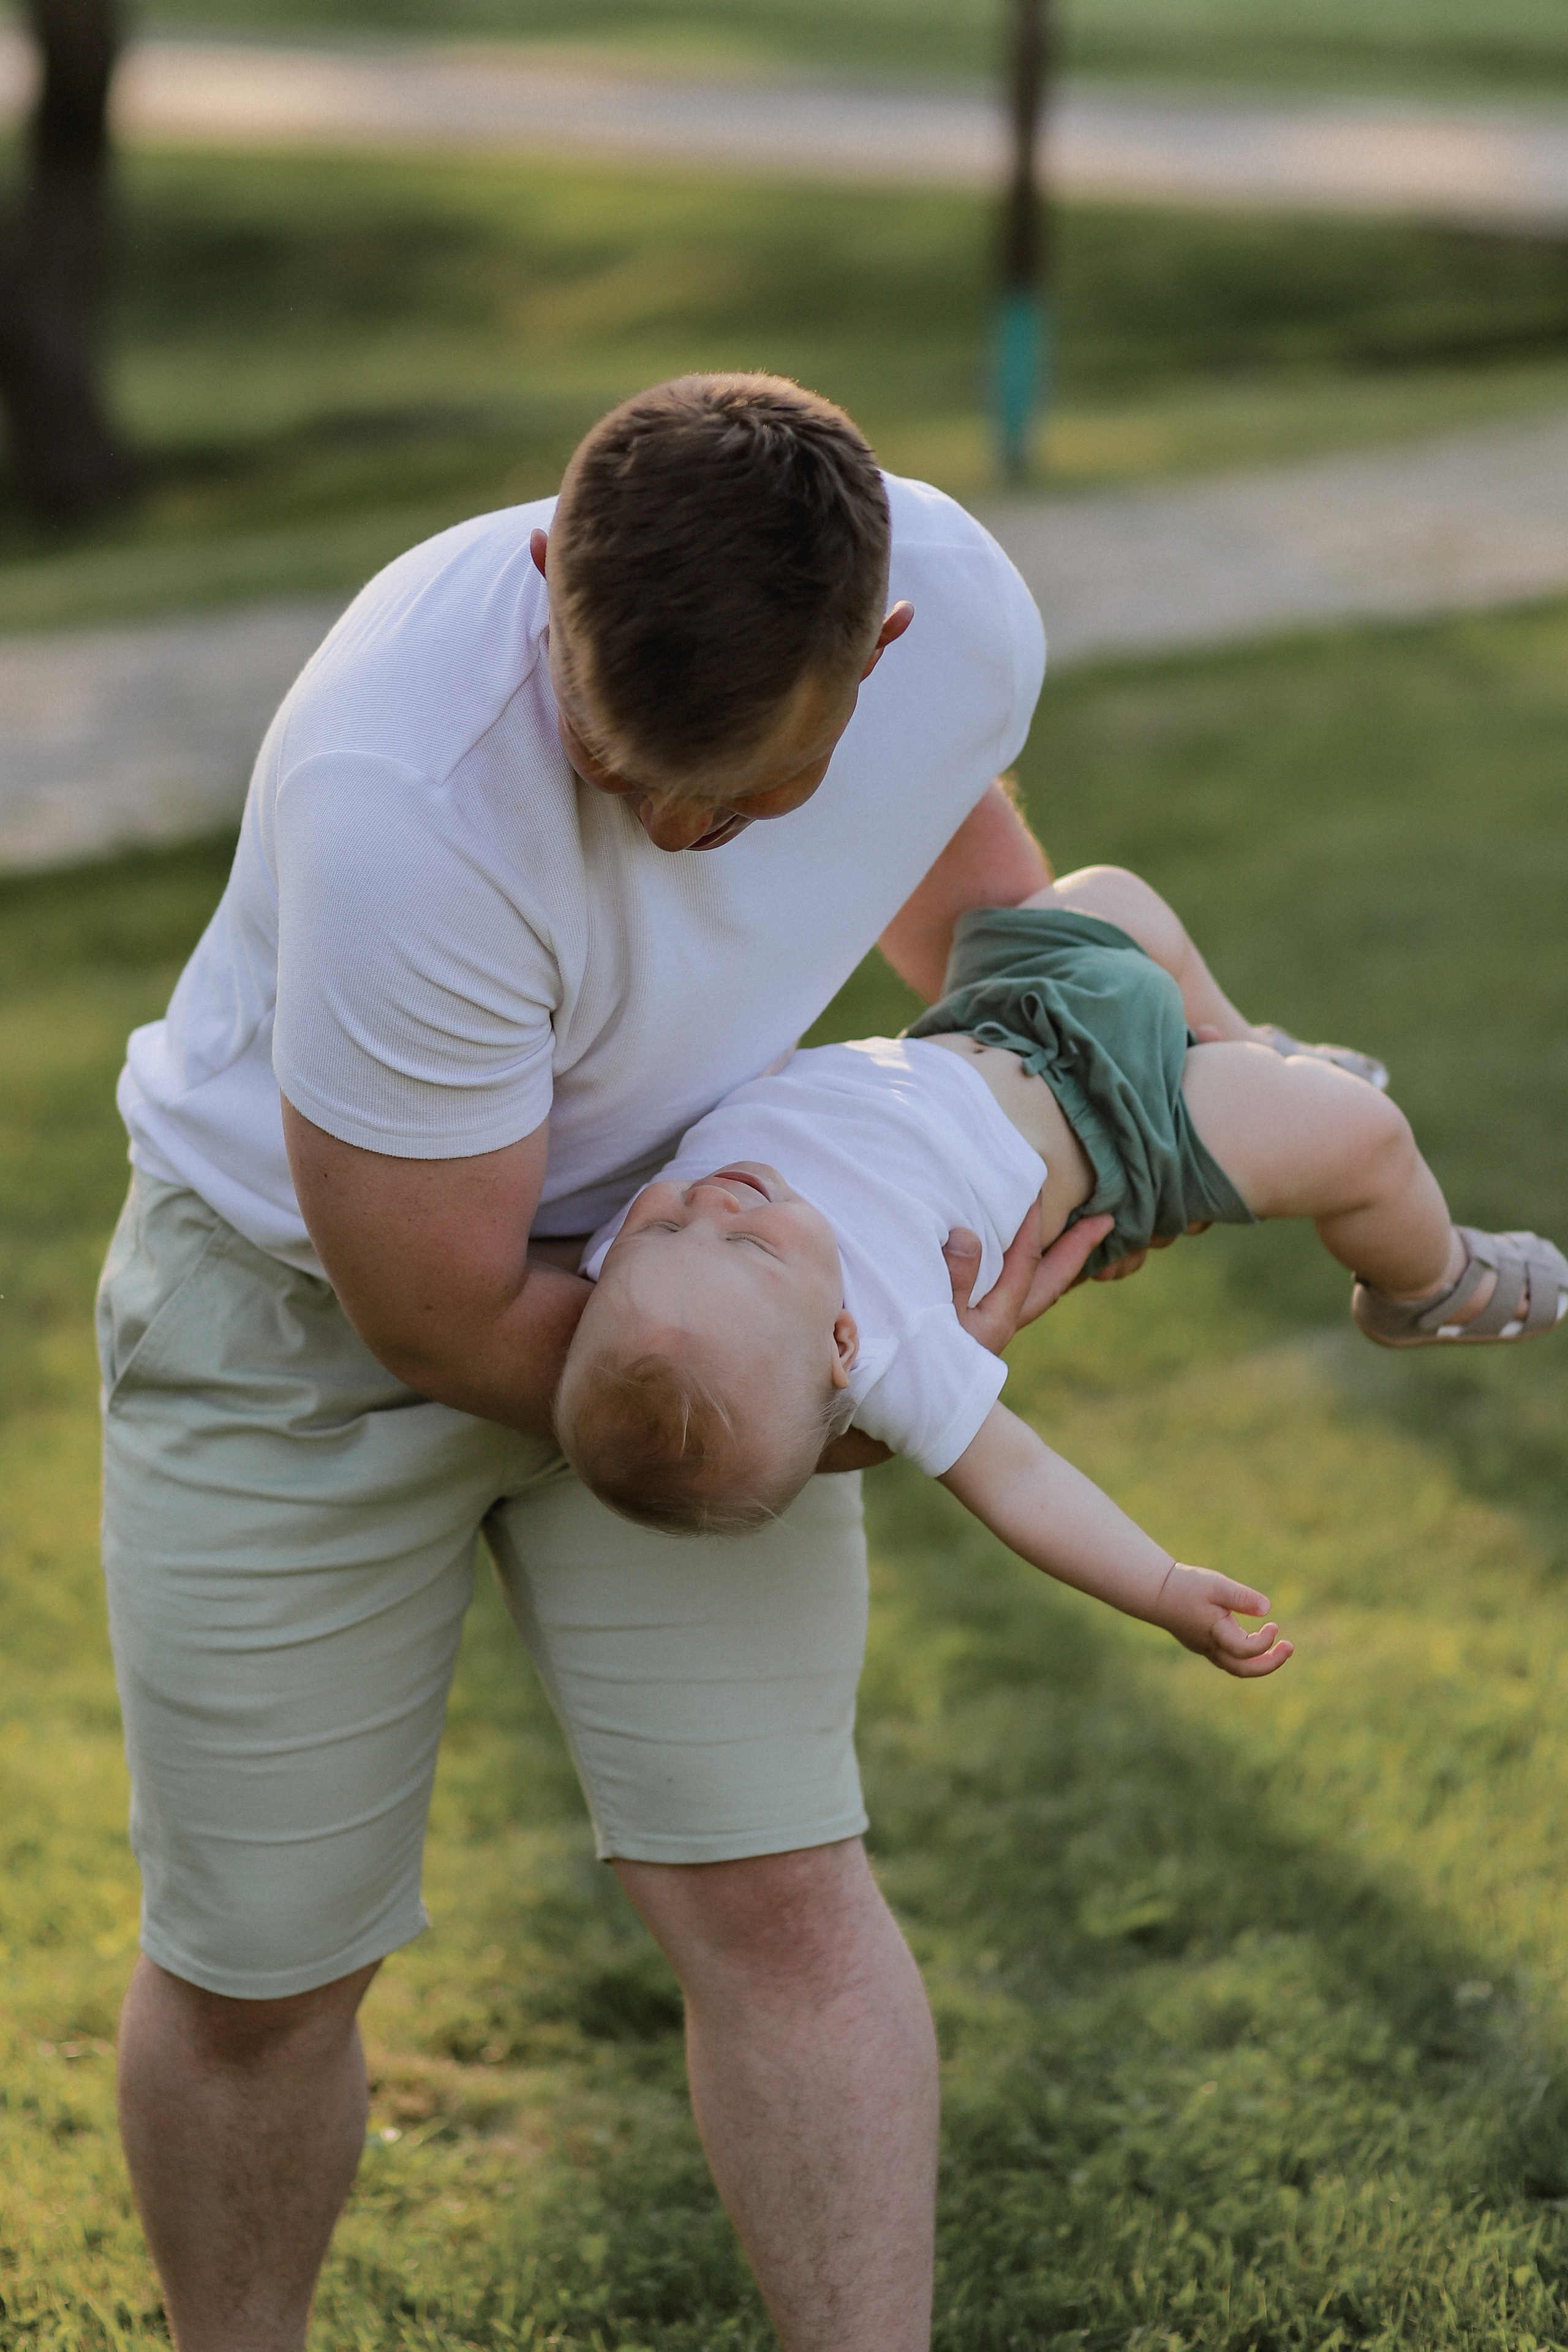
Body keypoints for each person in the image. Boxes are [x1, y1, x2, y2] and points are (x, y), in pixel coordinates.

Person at [98, 371, 1110, 2352]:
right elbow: (448, 1314)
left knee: (779, 1895)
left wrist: (1022, 1162)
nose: (670, 828)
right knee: (262, 1978)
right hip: (309, 1331)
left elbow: (969, 905)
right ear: (556, 574)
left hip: (706, 1265)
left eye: (740, 797)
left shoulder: (958, 624)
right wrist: (857, 1379)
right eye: (622, 758)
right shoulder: (399, 794)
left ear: (877, 651)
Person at [556, 862, 1568, 1559]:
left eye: (664, 1225)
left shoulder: (633, 1288)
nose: (710, 1204)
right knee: (1364, 1136)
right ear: (842, 1341)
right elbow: (1022, 1484)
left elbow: (603, 1301)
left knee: (1114, 897)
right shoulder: (900, 1353)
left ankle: (1244, 1043)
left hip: (994, 1022)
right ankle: (1431, 1281)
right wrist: (1166, 1590)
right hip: (1126, 1131)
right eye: (747, 1246)